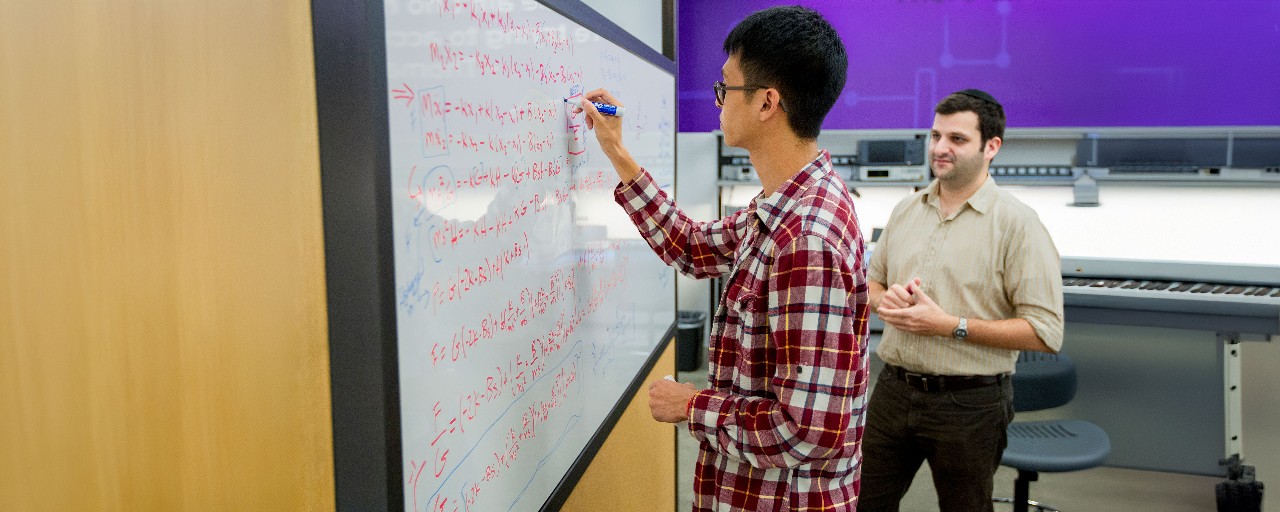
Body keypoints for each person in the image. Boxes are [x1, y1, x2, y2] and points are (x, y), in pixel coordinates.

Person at [575, 6, 869, 511]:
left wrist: (692, 405)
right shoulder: (785, 205)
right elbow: (691, 246)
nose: (717, 101)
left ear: (766, 102)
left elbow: (808, 431)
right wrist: (618, 152)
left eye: (725, 88)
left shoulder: (806, 238)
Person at [857, 89, 1065, 512]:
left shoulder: (1018, 225)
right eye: (936, 136)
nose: (940, 148)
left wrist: (951, 325)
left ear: (991, 147)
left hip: (970, 404)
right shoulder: (905, 210)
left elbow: (1046, 333)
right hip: (893, 390)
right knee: (860, 504)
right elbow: (871, 285)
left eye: (957, 139)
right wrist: (885, 301)